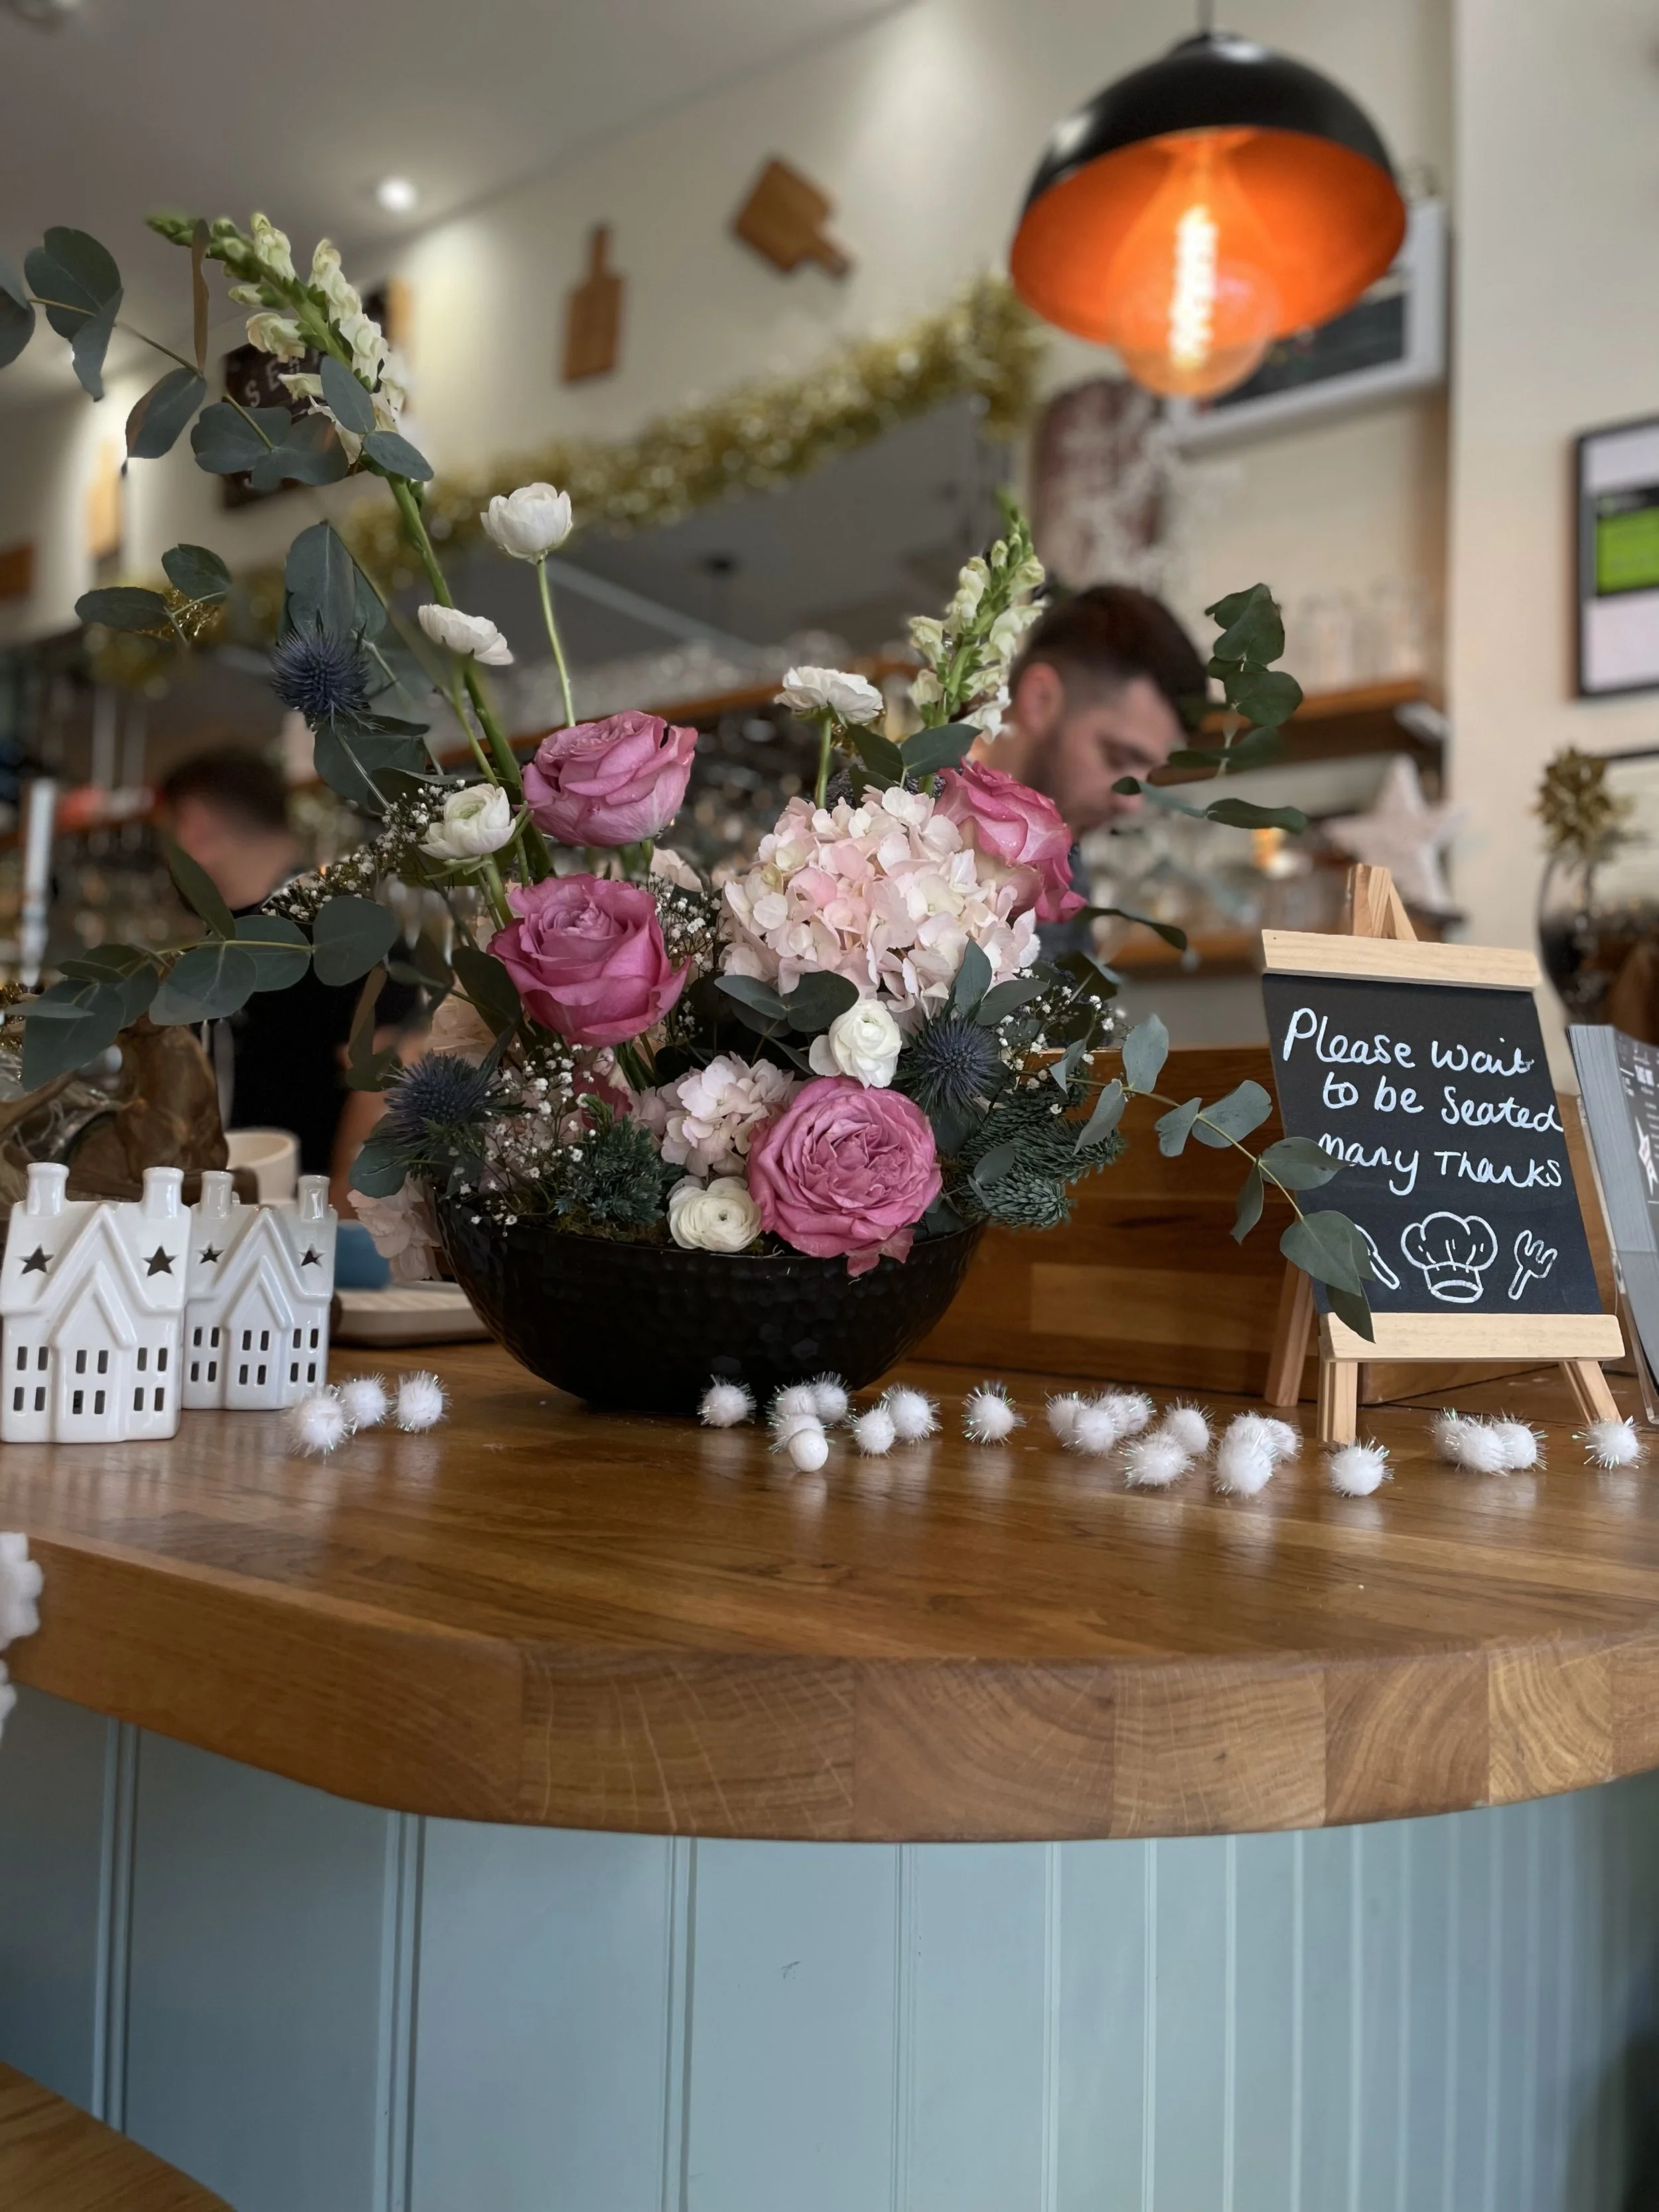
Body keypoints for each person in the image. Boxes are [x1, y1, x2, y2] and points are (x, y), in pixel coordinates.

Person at [158, 749, 415, 1207]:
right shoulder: (221, 944)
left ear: (196, 827)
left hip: (301, 1243)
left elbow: (392, 1069)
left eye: (167, 833)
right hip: (219, 1226)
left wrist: (340, 1210)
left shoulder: (342, 929)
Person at [991, 584, 1208, 837]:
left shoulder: (1069, 869)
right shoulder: (934, 807)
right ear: (1040, 700)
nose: (1131, 804)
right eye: (1119, 759)